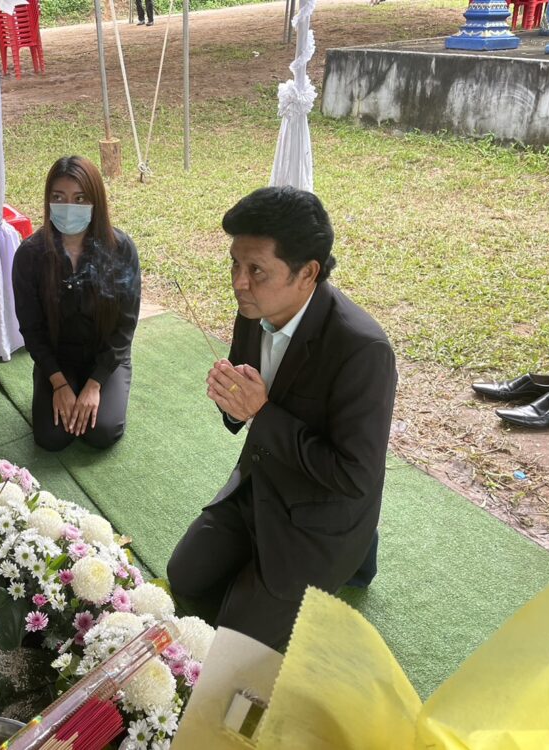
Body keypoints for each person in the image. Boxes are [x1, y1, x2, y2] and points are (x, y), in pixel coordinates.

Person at [167, 186, 397, 650]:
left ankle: (352, 554)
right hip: (259, 487)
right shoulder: (253, 311)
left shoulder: (362, 350)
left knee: (237, 636)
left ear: (307, 272)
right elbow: (246, 412)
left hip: (320, 513)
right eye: (234, 264)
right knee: (184, 575)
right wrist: (231, 400)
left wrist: (261, 414)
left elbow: (353, 475)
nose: (239, 282)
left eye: (256, 270)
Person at [12, 155, 141, 452]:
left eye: (80, 198)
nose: (69, 207)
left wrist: (95, 384)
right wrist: (58, 382)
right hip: (57, 359)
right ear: (48, 201)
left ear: (96, 201)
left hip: (106, 357)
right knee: (52, 437)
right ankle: (57, 384)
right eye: (59, 197)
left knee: (103, 432)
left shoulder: (121, 249)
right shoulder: (30, 255)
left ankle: (102, 385)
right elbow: (31, 329)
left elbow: (126, 325)